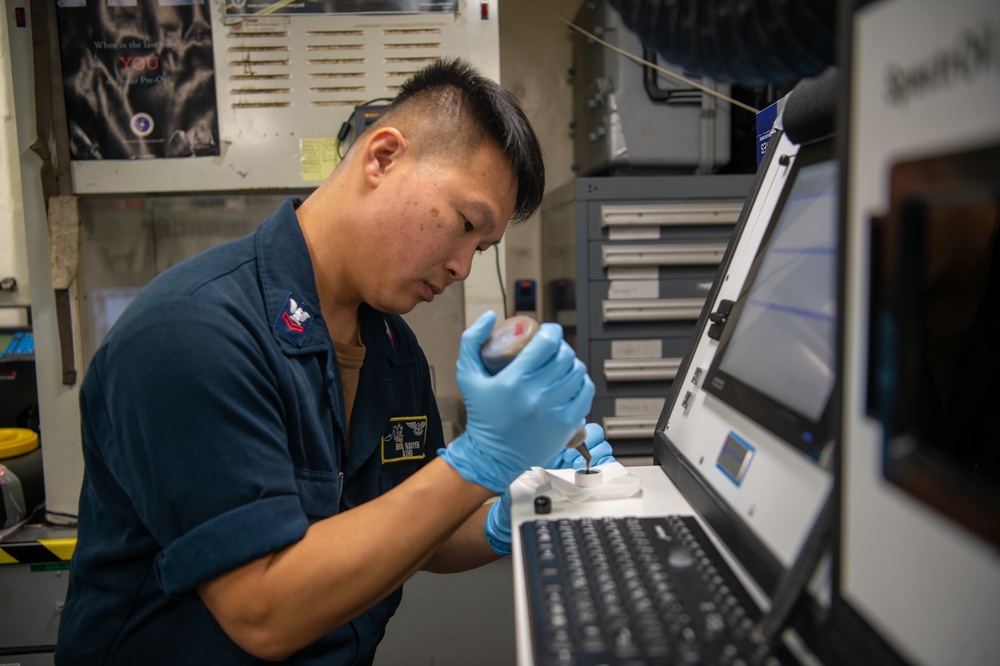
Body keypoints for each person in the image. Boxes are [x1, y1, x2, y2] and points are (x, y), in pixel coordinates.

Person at [56, 58, 614, 664]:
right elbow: (261, 610)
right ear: (382, 157)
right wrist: (479, 462)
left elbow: (414, 525)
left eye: (481, 247)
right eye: (463, 224)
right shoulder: (192, 331)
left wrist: (522, 504)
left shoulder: (393, 351)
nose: (462, 267)